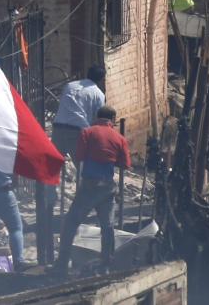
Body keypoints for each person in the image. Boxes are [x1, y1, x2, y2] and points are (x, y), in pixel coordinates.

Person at [52, 106, 132, 273]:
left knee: (71, 222)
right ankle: (106, 264)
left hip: (90, 185)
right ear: (113, 119)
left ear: (97, 117)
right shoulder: (120, 138)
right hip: (108, 187)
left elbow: (79, 156)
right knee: (107, 226)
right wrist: (110, 159)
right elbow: (126, 164)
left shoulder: (87, 132)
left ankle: (61, 264)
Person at [52, 65, 107, 160]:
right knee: (81, 164)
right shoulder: (99, 95)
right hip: (76, 132)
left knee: (54, 163)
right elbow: (96, 119)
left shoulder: (69, 86)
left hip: (58, 127)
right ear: (101, 79)